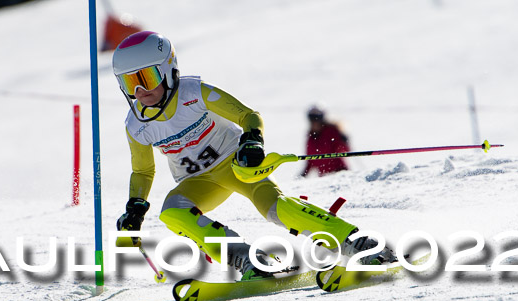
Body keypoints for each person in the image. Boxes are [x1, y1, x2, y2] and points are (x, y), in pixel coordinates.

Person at [112, 31, 396, 280]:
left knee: (274, 208)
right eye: (129, 83)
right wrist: (135, 208)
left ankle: (353, 241)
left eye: (146, 78)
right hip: (199, 181)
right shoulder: (137, 125)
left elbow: (248, 115)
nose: (140, 91)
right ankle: (250, 261)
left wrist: (252, 141)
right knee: (172, 212)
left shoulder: (193, 93)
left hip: (236, 165)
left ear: (168, 69)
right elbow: (142, 172)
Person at [301, 105, 351, 177]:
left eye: (317, 118)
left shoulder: (331, 131)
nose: (314, 122)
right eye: (311, 119)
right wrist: (304, 174)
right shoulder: (311, 137)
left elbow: (345, 150)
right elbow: (311, 160)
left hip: (340, 173)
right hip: (324, 178)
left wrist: (344, 141)